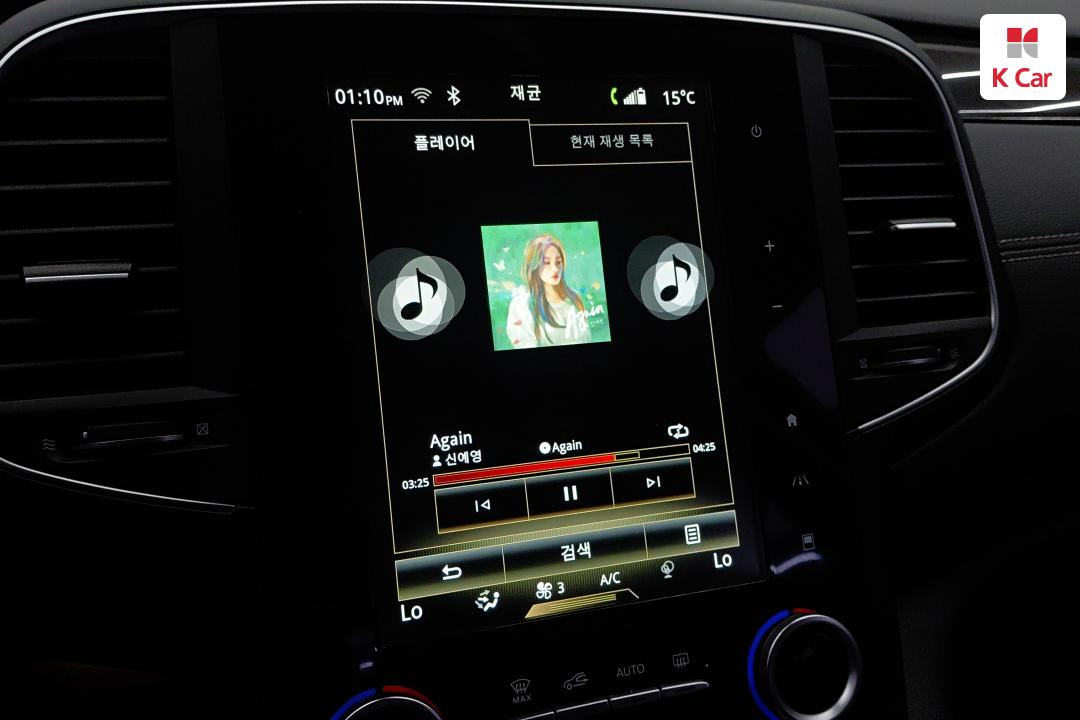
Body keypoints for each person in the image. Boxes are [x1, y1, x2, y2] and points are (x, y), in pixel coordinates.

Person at [506, 234, 591, 348]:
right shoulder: (521, 305)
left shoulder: (574, 299)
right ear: (534, 266)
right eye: (546, 263)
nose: (555, 269)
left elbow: (586, 338)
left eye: (558, 262)